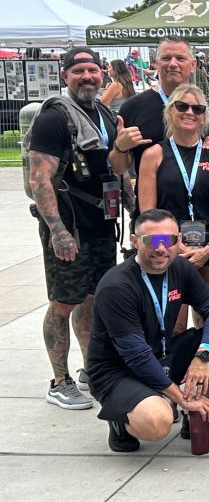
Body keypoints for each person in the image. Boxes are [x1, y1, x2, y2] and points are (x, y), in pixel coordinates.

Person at [88, 209, 209, 452]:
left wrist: (203, 354)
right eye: (152, 241)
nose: (161, 248)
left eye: (168, 240)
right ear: (134, 240)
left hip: (163, 356)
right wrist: (179, 399)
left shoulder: (180, 268)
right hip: (119, 371)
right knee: (158, 422)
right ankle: (120, 419)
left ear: (178, 240)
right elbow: (137, 356)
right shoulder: (116, 286)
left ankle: (200, 414)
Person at [27, 47, 120, 410]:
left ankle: (89, 368)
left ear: (103, 75)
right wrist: (58, 230)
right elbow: (40, 178)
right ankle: (59, 380)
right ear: (65, 75)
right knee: (63, 302)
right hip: (70, 228)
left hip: (100, 224)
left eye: (93, 70)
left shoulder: (104, 114)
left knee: (93, 299)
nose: (87, 76)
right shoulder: (55, 117)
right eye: (78, 70)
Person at [137, 85, 209, 300]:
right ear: (170, 111)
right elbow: (148, 213)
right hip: (167, 246)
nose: (189, 112)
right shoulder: (153, 155)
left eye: (197, 109)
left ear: (203, 118)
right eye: (182, 106)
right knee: (174, 322)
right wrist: (176, 247)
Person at [112, 36, 198, 176]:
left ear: (193, 64)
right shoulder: (133, 107)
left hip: (202, 196)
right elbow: (118, 169)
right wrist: (120, 148)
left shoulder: (204, 107)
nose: (173, 64)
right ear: (156, 64)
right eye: (166, 58)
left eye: (180, 58)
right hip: (150, 197)